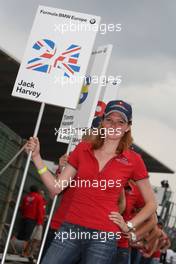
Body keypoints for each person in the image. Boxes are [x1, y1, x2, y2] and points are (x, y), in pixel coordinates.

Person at [25, 100, 157, 264]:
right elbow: (56, 188)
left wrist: (128, 225)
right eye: (109, 120)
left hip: (104, 236)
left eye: (120, 122)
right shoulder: (83, 148)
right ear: (102, 122)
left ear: (127, 127)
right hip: (71, 229)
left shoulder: (134, 160)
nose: (114, 125)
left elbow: (151, 203)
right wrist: (37, 157)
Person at [17, 185, 44, 257]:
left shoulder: (26, 197)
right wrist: (39, 222)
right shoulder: (39, 198)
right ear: (37, 190)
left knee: (22, 236)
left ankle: (22, 252)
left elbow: (22, 207)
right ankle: (24, 252)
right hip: (32, 219)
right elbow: (39, 211)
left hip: (24, 218)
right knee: (28, 237)